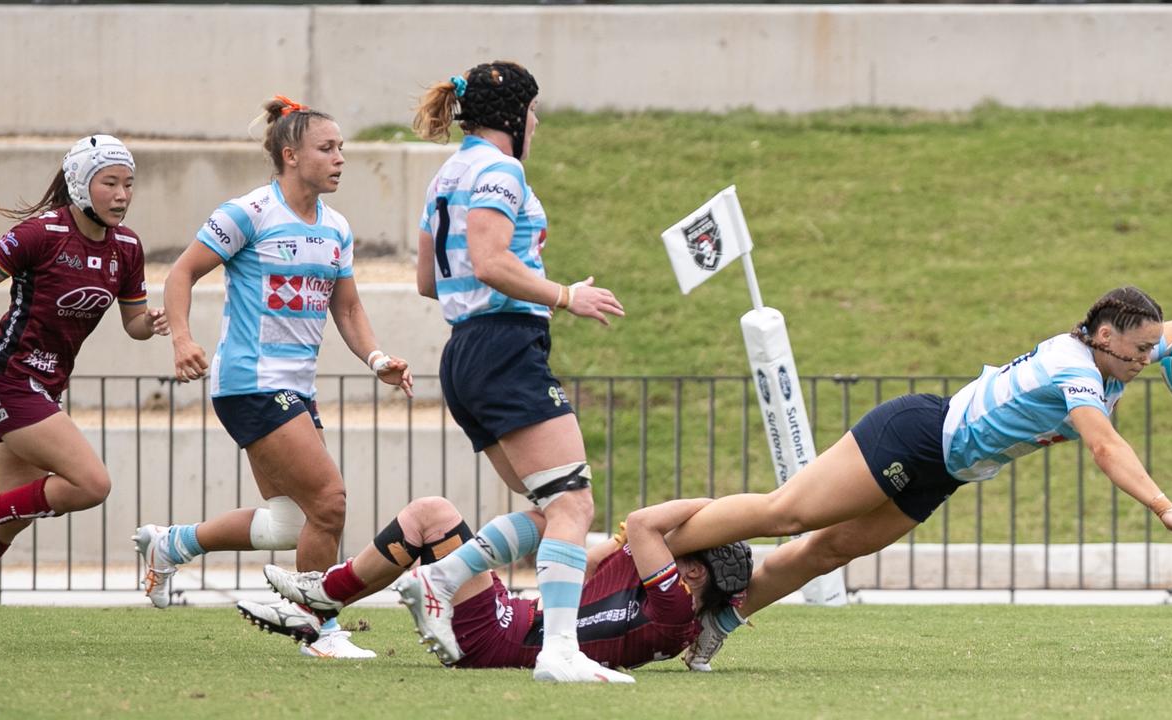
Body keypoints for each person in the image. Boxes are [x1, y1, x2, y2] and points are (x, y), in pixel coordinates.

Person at [662, 286, 1172, 670]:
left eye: (1155, 347)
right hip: (916, 433)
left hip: (944, 471)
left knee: (828, 551)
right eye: (1141, 348)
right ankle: (658, 545)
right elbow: (1104, 446)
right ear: (1105, 336)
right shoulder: (1072, 368)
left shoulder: (1125, 351)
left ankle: (717, 621)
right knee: (787, 513)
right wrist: (1163, 506)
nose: (1151, 358)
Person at [132, 96, 413, 660]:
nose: (340, 159)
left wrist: (378, 359)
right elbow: (182, 272)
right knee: (330, 503)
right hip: (250, 384)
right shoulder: (249, 212)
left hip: (295, 389)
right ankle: (320, 631)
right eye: (327, 148)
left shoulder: (336, 228)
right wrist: (183, 340)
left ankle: (171, 544)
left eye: (342, 149)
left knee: (291, 522)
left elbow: (349, 309)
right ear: (291, 154)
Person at [399, 61, 626, 681]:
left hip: (465, 352)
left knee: (554, 507)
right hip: (504, 348)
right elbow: (489, 258)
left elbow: (428, 279)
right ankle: (559, 653)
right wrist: (562, 295)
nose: (538, 123)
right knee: (574, 505)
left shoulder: (448, 172)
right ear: (513, 118)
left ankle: (443, 576)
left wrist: (531, 288)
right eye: (533, 112)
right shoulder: (501, 169)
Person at [236, 495, 751, 681]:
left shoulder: (670, 604)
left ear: (694, 573)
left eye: (686, 547)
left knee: (430, 514)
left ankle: (327, 593)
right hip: (511, 623)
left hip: (500, 637)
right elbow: (589, 563)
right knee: (543, 516)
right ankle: (322, 603)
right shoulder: (673, 611)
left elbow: (643, 523)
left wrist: (715, 505)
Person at [0, 135, 169, 567]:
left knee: (8, 521)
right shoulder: (40, 233)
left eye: (128, 183)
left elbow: (134, 325)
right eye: (109, 183)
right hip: (10, 379)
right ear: (79, 184)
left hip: (47, 388)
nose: (122, 194)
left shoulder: (126, 248)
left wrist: (152, 323)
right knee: (92, 484)